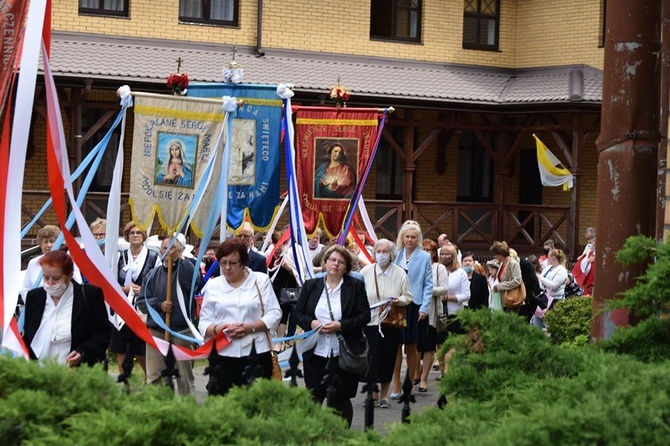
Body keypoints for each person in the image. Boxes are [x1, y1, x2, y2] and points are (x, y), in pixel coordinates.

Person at [293, 245, 370, 427]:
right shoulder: (311, 285)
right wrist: (311, 323)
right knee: (314, 396)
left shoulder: (355, 286)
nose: (335, 264)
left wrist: (340, 325)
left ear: (346, 267)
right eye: (332, 260)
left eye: (341, 262)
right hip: (316, 351)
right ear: (325, 262)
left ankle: (339, 436)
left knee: (341, 399)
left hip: (343, 352)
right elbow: (297, 313)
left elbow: (364, 315)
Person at [198, 239, 281, 396]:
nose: (227, 268)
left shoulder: (260, 280)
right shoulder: (213, 285)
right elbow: (204, 322)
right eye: (223, 263)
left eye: (233, 263)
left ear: (243, 263)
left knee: (255, 405)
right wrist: (221, 329)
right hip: (222, 356)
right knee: (222, 406)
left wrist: (250, 328)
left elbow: (274, 312)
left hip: (256, 354)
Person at [137, 236, 203, 396]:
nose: (167, 251)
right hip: (157, 331)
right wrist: (160, 305)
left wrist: (178, 261)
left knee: (183, 377)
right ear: (160, 252)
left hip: (181, 331)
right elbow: (142, 302)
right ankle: (157, 409)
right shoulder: (152, 275)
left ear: (181, 251)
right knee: (154, 376)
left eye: (172, 248)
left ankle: (185, 410)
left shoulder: (186, 270)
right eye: (164, 248)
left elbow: (195, 283)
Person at [21, 250, 111, 366]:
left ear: (69, 275)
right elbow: (28, 335)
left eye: (56, 278)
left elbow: (103, 333)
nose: (50, 283)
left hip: (74, 372)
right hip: (39, 372)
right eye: (46, 277)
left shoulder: (89, 295)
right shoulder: (34, 297)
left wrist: (83, 351)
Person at [360, 239, 412, 408]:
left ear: (391, 254)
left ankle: (384, 396)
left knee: (388, 358)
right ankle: (372, 395)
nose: (381, 254)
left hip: (390, 323)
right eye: (379, 251)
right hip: (370, 322)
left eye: (385, 251)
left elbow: (408, 297)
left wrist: (398, 300)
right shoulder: (366, 271)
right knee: (370, 358)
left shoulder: (400, 273)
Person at [390, 220, 433, 399]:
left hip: (415, 305)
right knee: (395, 346)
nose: (409, 240)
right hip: (397, 303)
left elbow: (428, 284)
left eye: (413, 237)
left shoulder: (424, 257)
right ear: (402, 237)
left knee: (411, 346)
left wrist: (424, 308)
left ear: (418, 239)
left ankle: (410, 383)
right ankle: (396, 383)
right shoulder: (395, 254)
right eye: (407, 236)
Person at [114, 221, 160, 376]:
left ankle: (150, 380)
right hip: (121, 309)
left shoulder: (153, 257)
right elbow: (113, 281)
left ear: (143, 236)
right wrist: (125, 289)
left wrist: (143, 290)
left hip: (142, 308)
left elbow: (158, 282)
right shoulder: (120, 256)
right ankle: (125, 382)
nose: (135, 235)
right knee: (120, 346)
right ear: (127, 236)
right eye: (132, 233)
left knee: (140, 347)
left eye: (138, 233)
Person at [436, 243, 470, 380]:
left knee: (451, 342)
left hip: (454, 312)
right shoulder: (437, 270)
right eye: (442, 254)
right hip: (438, 312)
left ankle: (449, 371)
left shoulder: (460, 273)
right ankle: (442, 369)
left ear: (453, 256)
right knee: (439, 343)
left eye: (447, 254)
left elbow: (466, 295)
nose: (444, 256)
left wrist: (449, 297)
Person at [417, 239, 447, 392]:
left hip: (431, 312)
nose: (426, 252)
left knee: (429, 346)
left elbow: (444, 289)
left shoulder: (438, 268)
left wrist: (428, 289)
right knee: (414, 345)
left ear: (434, 253)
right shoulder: (415, 265)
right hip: (414, 310)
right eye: (423, 249)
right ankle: (415, 373)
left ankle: (423, 380)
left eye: (429, 250)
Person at [533, 249, 569, 328]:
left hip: (555, 300)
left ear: (553, 258)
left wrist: (540, 278)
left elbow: (554, 286)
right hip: (544, 298)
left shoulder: (562, 270)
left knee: (552, 325)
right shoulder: (548, 268)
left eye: (548, 256)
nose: (547, 258)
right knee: (537, 319)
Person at [490, 241, 523, 313]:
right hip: (503, 299)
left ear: (500, 254)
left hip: (512, 299)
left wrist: (499, 286)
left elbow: (517, 281)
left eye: (495, 255)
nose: (495, 257)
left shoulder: (513, 263)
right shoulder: (502, 264)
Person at [572, 229, 596, 295]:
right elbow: (582, 267)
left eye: (590, 238)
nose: (589, 241)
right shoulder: (589, 251)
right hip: (589, 282)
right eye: (587, 239)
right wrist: (588, 261)